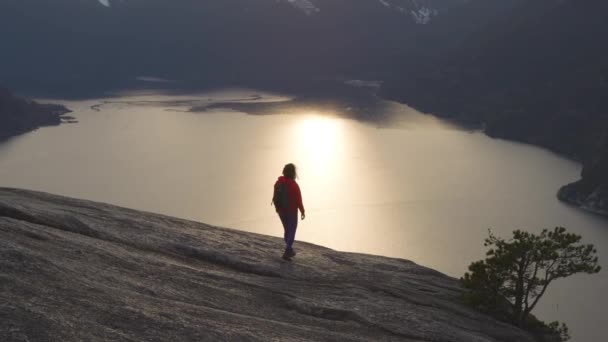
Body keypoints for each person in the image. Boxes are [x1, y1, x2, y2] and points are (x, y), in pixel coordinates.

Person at [273, 163, 305, 261]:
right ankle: (288, 250)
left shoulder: (278, 182)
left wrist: (278, 209)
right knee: (291, 229)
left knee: (287, 229)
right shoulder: (294, 185)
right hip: (291, 211)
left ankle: (289, 248)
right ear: (293, 173)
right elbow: (298, 200)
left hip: (281, 211)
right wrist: (302, 211)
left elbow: (275, 197)